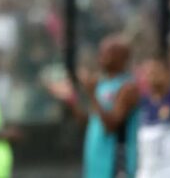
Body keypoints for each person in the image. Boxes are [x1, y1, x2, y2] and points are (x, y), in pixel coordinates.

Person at [46, 34, 139, 178]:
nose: (102, 56)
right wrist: (71, 100)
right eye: (101, 51)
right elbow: (90, 121)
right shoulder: (101, 83)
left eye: (108, 52)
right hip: (96, 160)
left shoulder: (128, 87)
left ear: (123, 57)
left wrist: (92, 94)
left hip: (116, 164)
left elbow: (111, 126)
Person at [137, 58, 170, 178]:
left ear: (168, 74)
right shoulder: (143, 104)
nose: (153, 77)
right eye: (149, 73)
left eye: (157, 72)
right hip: (149, 170)